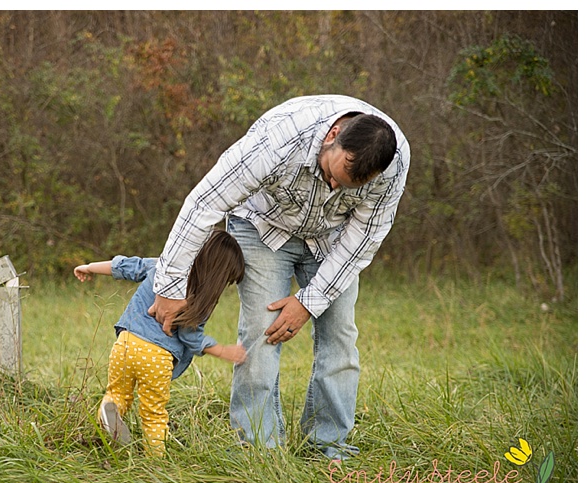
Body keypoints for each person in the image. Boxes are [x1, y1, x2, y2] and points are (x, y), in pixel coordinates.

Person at [148, 96, 410, 459]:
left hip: (333, 240)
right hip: (263, 226)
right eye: (332, 175)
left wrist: (308, 302)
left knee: (340, 336)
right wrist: (170, 286)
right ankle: (259, 449)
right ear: (332, 136)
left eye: (347, 186)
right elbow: (204, 204)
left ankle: (328, 446)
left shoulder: (393, 164)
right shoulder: (278, 141)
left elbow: (364, 238)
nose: (334, 187)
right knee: (262, 332)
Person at [74, 230, 247, 455]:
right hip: (156, 357)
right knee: (154, 415)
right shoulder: (198, 299)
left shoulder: (163, 267)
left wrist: (89, 267)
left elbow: (127, 266)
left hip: (125, 343)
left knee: (117, 394)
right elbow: (189, 336)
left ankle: (109, 414)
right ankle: (156, 465)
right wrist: (221, 350)